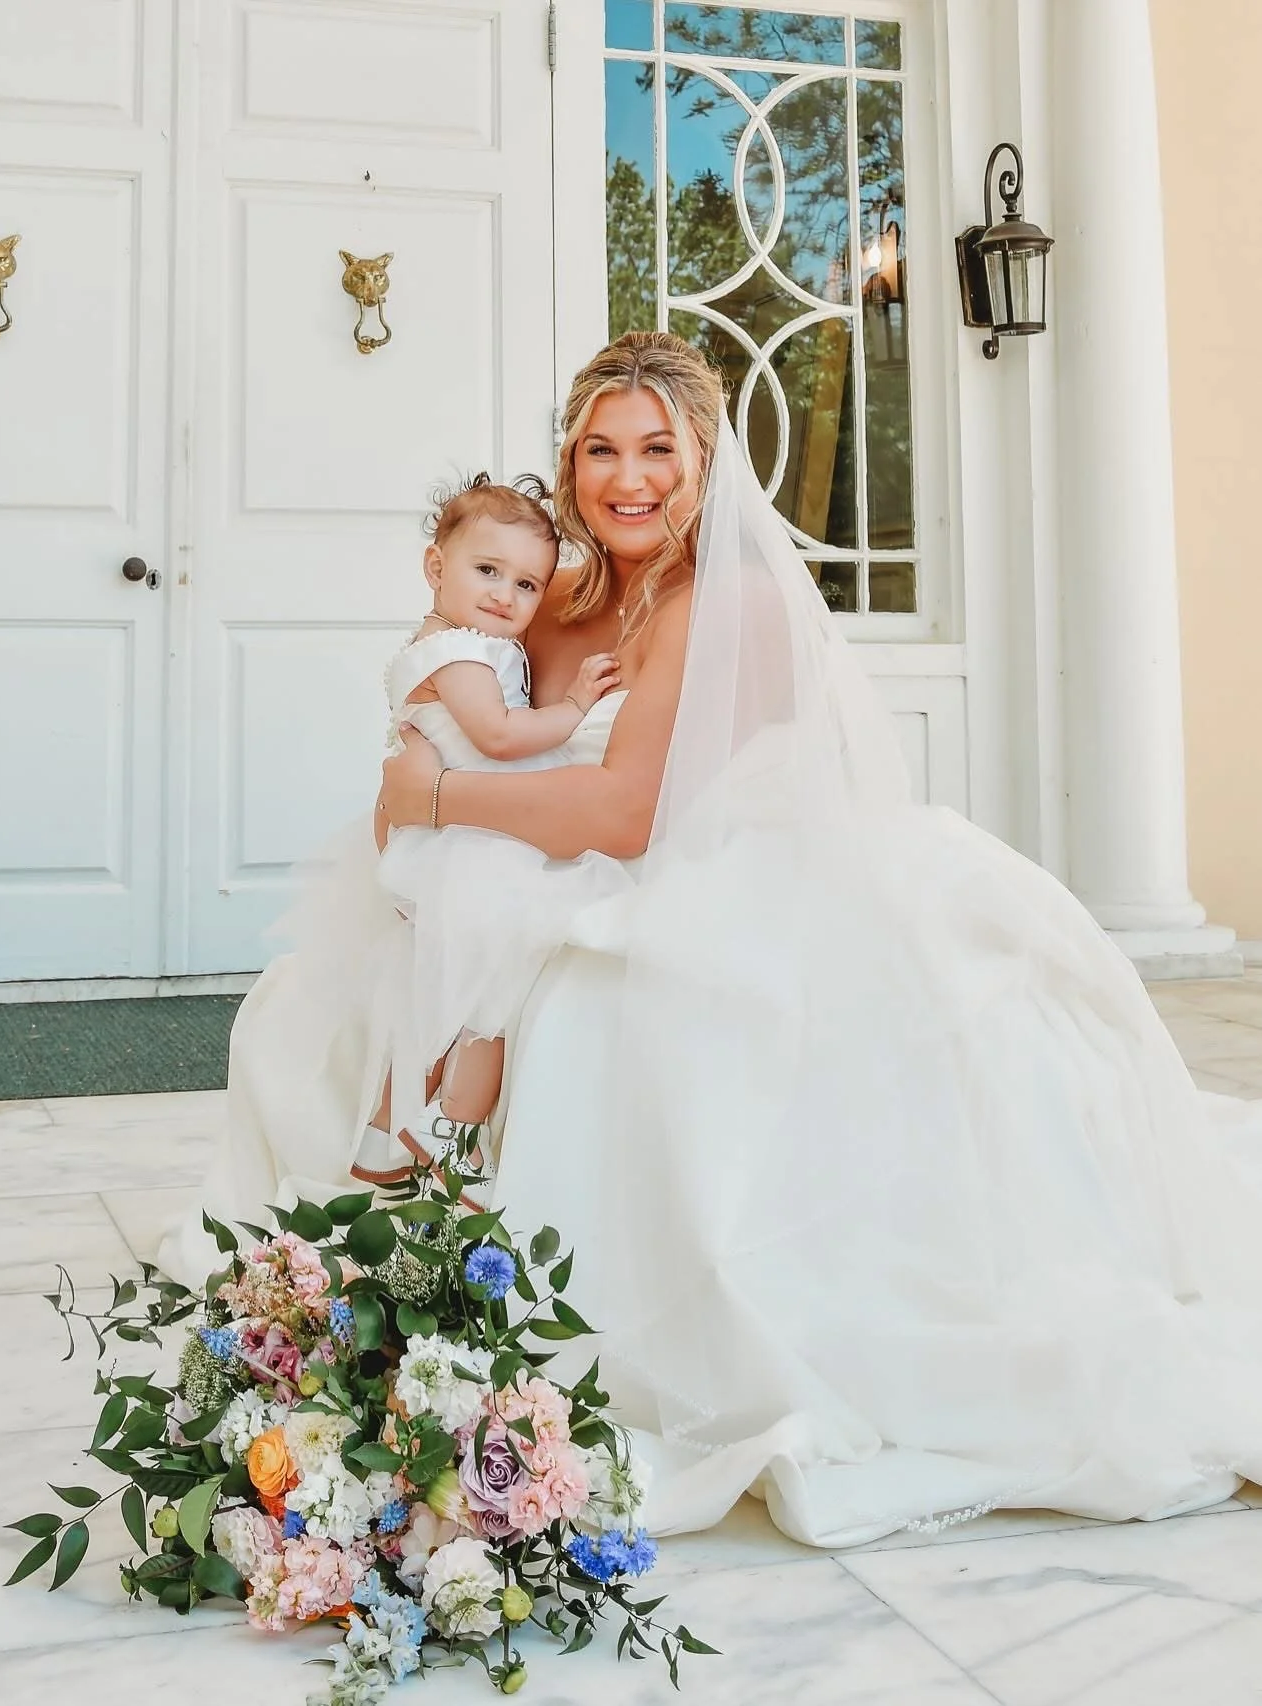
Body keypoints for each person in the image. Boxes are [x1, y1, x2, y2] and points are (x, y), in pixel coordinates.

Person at [162, 331, 1262, 1551]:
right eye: (597, 449)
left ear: (705, 459)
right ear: (567, 462)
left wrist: (431, 802)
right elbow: (473, 710)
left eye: (655, 450)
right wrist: (429, 770)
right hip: (546, 866)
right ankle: (387, 1216)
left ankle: (506, 1252)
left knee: (609, 1003)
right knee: (340, 990)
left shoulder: (718, 598)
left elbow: (628, 809)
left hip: (710, 871)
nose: (625, 478)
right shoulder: (558, 594)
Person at [358, 470, 623, 1194]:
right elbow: (500, 737)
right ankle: (456, 1139)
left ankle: (390, 1137)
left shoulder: (459, 644)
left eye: (528, 584)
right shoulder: (457, 655)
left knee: (447, 992)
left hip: (460, 840)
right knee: (491, 997)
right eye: (487, 571)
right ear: (435, 567)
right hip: (472, 846)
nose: (507, 595)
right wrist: (572, 708)